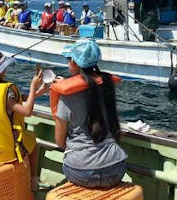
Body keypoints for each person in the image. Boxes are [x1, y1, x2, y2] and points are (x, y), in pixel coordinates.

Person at [50, 39, 127, 188]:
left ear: (73, 62)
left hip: (81, 172)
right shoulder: (107, 86)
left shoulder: (66, 96)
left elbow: (60, 142)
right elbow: (90, 89)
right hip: (116, 168)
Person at [0, 48, 49, 190]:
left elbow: (14, 102)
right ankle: (33, 183)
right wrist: (33, 86)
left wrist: (37, 93)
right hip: (4, 150)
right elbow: (26, 111)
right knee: (33, 143)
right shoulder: (5, 92)